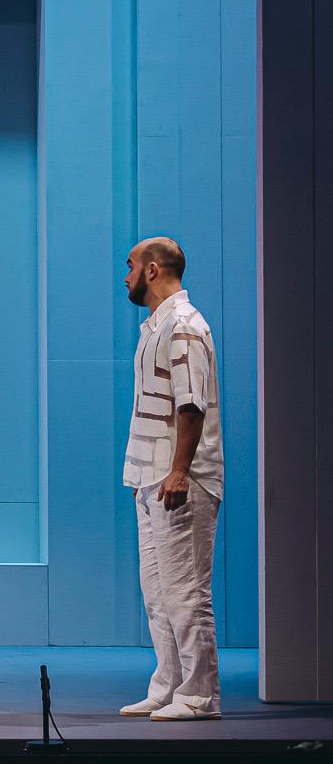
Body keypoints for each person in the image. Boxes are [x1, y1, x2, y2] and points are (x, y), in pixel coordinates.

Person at [119, 237, 224, 722]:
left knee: (185, 592)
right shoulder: (155, 325)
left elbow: (191, 404)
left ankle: (199, 696)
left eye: (131, 266)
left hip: (180, 478)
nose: (125, 276)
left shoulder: (183, 325)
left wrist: (180, 470)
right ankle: (168, 685)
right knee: (158, 593)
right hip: (150, 477)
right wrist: (147, 474)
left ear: (152, 270)